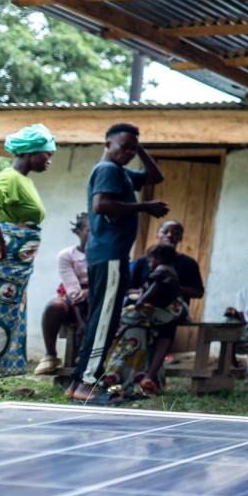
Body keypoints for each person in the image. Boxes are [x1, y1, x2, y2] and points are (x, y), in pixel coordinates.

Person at [66, 123, 167, 402]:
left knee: (102, 319)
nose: (129, 153)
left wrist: (140, 148)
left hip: (109, 255)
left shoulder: (120, 172)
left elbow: (155, 177)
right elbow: (101, 205)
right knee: (104, 321)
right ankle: (87, 382)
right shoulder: (108, 170)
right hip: (109, 255)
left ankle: (77, 383)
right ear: (107, 144)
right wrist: (145, 207)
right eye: (124, 146)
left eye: (133, 149)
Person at [0, 124, 55, 378]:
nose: (49, 160)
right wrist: (1, 242)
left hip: (18, 265)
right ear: (31, 153)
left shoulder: (24, 181)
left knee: (8, 315)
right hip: (6, 261)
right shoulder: (8, 178)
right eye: (47, 154)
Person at [101, 243, 186, 396]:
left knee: (126, 316)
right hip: (170, 309)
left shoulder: (162, 270)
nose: (149, 264)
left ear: (159, 259)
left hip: (167, 311)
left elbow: (155, 286)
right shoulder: (170, 270)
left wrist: (141, 300)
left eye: (150, 261)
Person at [128, 220, 204, 382]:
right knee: (135, 325)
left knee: (167, 325)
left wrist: (175, 288)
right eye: (165, 231)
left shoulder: (188, 263)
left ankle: (150, 376)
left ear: (180, 238)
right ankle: (132, 374)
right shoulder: (143, 261)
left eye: (175, 232)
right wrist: (142, 292)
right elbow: (129, 289)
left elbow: (198, 292)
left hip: (172, 310)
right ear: (157, 235)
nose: (170, 235)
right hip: (146, 308)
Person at [34, 213, 90, 375]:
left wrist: (91, 292)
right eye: (89, 230)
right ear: (79, 231)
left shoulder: (104, 255)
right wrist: (80, 323)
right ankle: (50, 355)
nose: (93, 235)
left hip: (97, 300)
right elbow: (73, 292)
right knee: (54, 306)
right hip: (74, 300)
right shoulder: (67, 255)